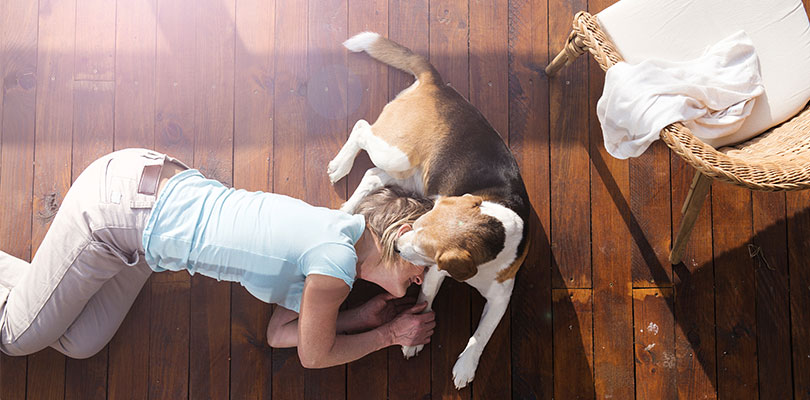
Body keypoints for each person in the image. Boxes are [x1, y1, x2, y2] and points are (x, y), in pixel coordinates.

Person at [0, 148, 436, 368]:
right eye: (426, 264)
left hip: (139, 233)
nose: (424, 278)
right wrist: (389, 336)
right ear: (400, 234)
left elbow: (279, 333)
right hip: (119, 213)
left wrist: (359, 320)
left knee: (81, 341)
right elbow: (315, 357)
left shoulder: (328, 255)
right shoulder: (334, 264)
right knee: (14, 338)